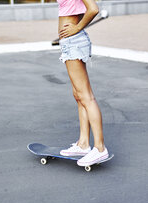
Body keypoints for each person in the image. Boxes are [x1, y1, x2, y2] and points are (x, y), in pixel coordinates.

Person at [57, 0, 109, 166]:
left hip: (74, 41)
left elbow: (93, 9)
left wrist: (77, 27)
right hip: (69, 43)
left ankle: (100, 148)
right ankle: (83, 144)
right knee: (79, 96)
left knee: (86, 97)